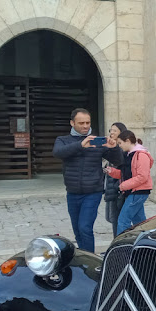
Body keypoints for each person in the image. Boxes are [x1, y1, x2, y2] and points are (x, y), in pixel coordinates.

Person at [53, 108, 122, 252]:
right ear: (72, 123)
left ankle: (89, 260)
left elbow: (118, 161)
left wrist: (114, 148)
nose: (85, 126)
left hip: (93, 192)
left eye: (88, 123)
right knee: (77, 230)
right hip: (72, 192)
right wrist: (80, 145)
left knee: (85, 227)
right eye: (81, 123)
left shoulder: (98, 142)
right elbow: (58, 153)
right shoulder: (63, 140)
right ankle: (84, 255)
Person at [104, 130, 154, 235]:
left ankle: (121, 248)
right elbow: (126, 174)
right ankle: (144, 245)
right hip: (135, 191)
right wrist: (112, 172)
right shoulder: (129, 155)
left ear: (127, 141)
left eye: (120, 143)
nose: (120, 146)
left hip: (139, 191)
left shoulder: (141, 155)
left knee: (123, 221)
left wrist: (122, 186)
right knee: (140, 223)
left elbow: (142, 177)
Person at [103, 122, 127, 237]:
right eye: (110, 130)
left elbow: (123, 170)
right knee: (110, 217)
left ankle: (118, 243)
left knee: (116, 219)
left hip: (117, 189)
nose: (111, 133)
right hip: (110, 187)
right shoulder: (111, 147)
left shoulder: (122, 148)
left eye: (115, 131)